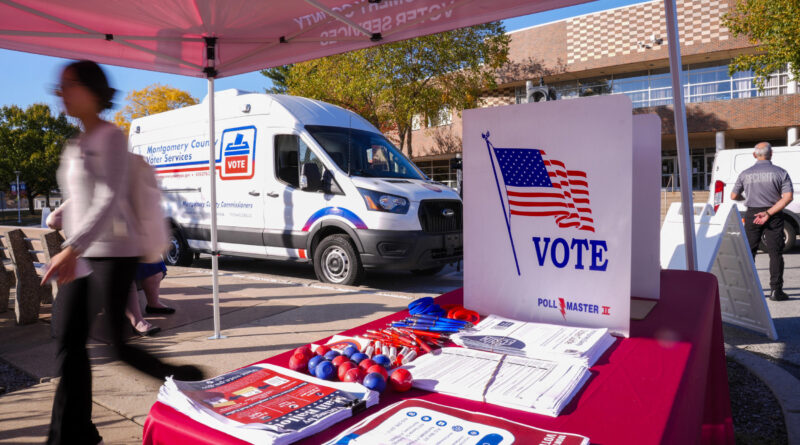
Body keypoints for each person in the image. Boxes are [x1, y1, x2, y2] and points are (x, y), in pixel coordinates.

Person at [43, 60, 202, 445]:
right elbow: (83, 198)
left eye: (68, 84)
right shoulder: (76, 143)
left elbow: (110, 197)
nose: (59, 92)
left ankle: (187, 380)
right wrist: (63, 220)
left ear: (91, 91)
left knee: (116, 346)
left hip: (113, 254)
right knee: (68, 339)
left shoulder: (111, 137)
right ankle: (72, 433)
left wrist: (70, 248)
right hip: (84, 255)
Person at [46, 201, 163, 336]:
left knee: (142, 265)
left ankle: (144, 311)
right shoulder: (83, 198)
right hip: (89, 260)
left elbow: (52, 221)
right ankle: (137, 320)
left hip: (90, 258)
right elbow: (52, 221)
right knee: (124, 272)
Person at [731, 142, 794, 301]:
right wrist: (768, 213)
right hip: (773, 214)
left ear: (754, 155)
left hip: (752, 213)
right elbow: (788, 197)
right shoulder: (781, 173)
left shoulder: (745, 174)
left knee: (749, 252)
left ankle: (747, 291)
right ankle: (776, 291)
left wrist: (744, 198)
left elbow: (733, 196)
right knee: (775, 253)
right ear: (771, 154)